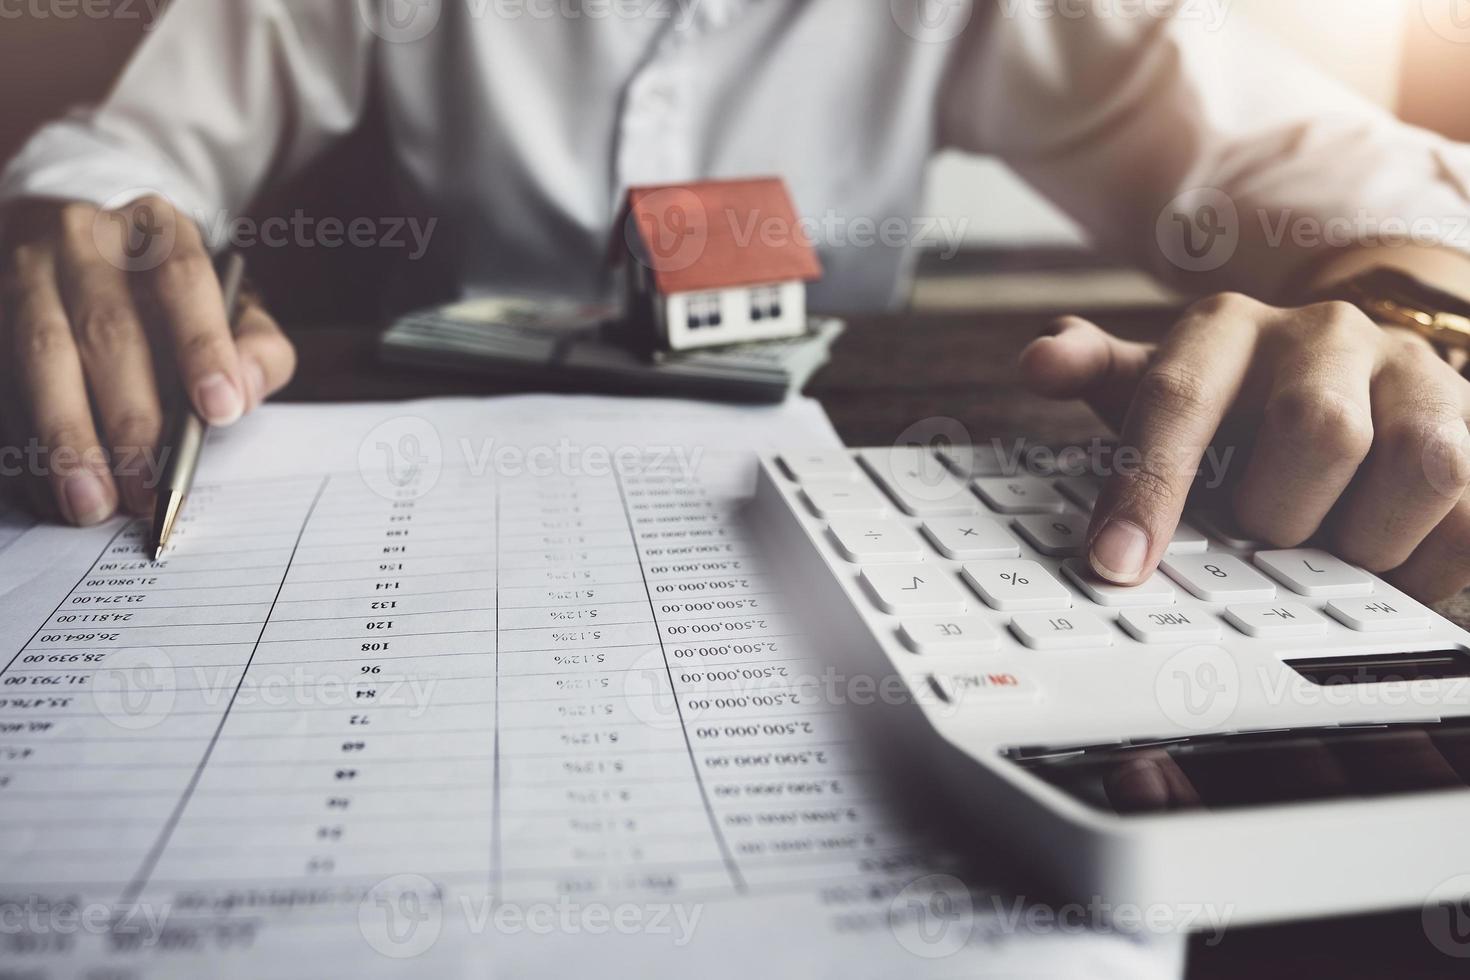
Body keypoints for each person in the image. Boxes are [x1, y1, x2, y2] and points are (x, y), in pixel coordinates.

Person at [2, 0, 1470, 601]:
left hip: (832, 534)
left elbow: (1337, 173)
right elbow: (142, 154)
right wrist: (80, 226)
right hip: (442, 518)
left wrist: (1399, 316)